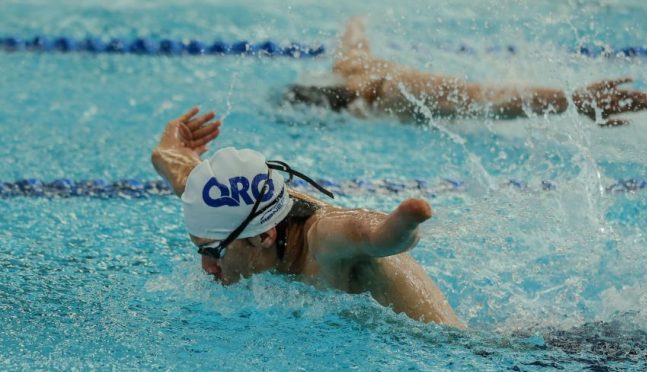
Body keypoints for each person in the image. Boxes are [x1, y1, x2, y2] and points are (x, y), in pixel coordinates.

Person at [151, 107, 465, 329]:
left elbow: (369, 233)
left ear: (264, 236)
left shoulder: (324, 240)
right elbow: (181, 172)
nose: (207, 267)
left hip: (451, 352)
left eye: (213, 251)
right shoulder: (229, 205)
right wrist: (165, 152)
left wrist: (405, 223)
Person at [286, 17, 647, 126]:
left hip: (404, 90)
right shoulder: (350, 65)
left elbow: (490, 100)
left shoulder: (390, 94)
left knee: (476, 99)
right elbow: (352, 39)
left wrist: (573, 100)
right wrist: (357, 19)